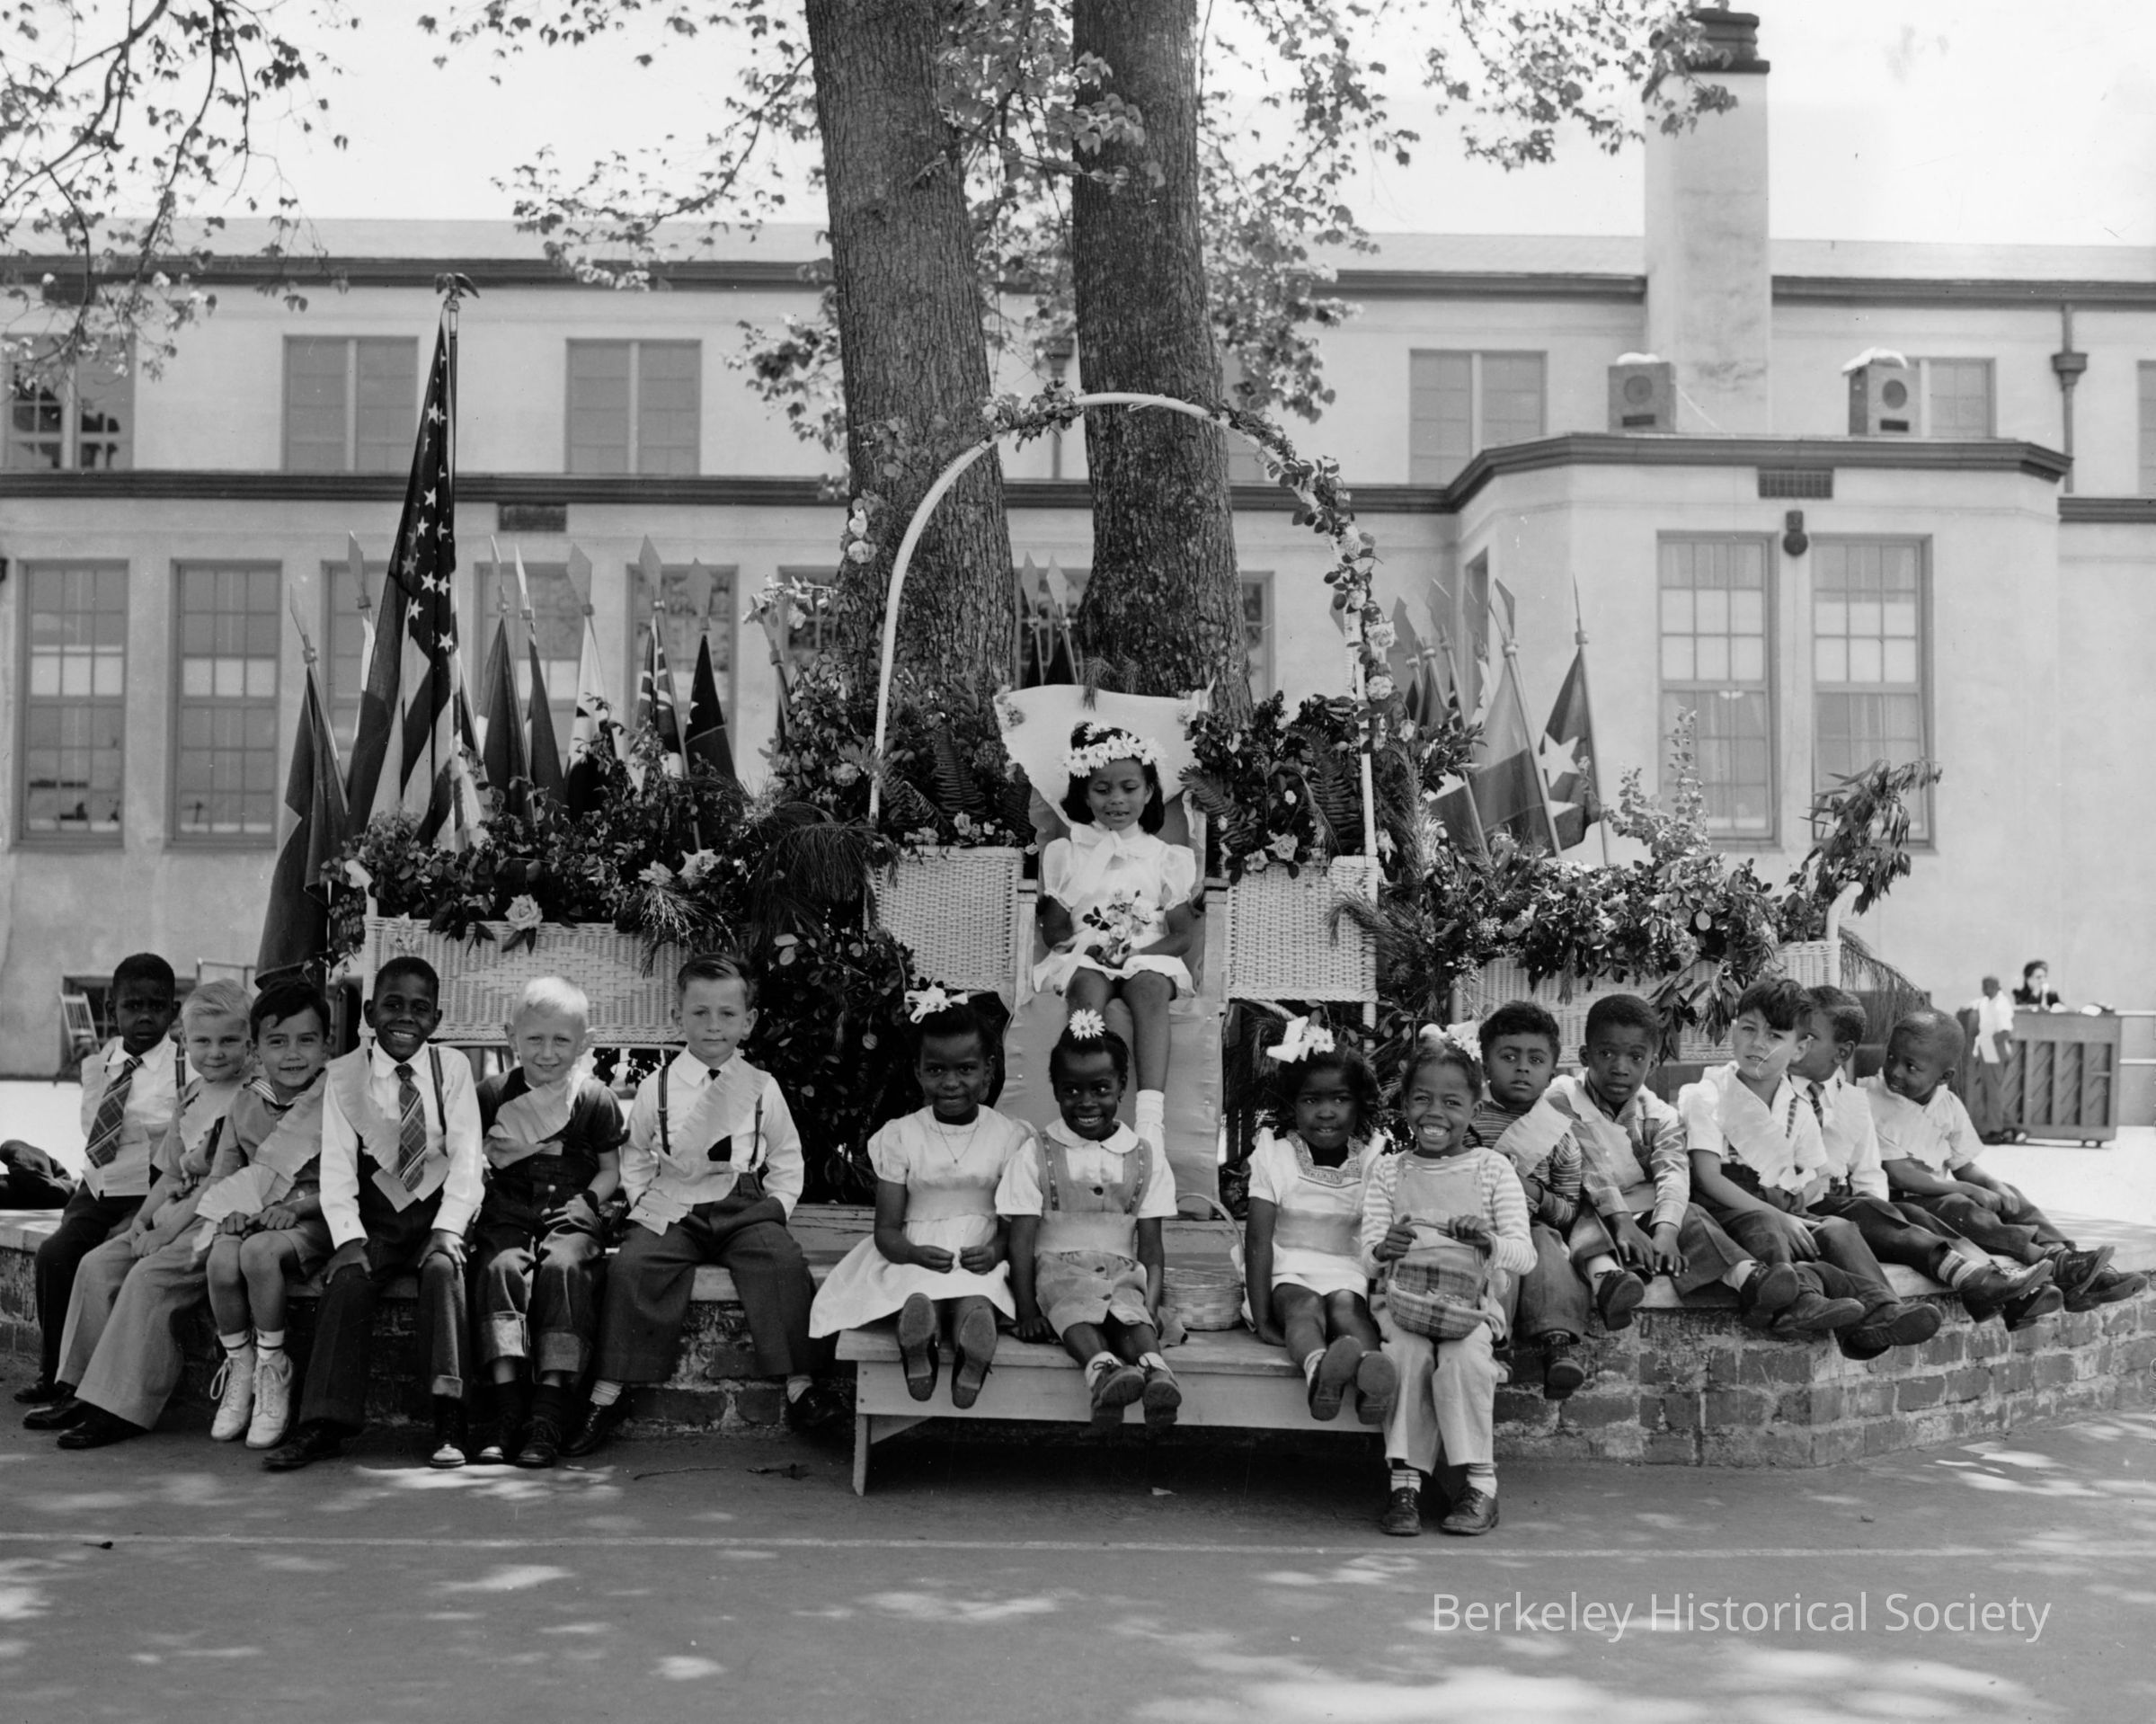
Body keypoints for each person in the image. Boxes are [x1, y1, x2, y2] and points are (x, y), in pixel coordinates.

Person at [565, 954, 841, 1457]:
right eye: (700, 1013)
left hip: (743, 1205)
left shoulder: (761, 1087)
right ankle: (607, 1391)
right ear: (679, 1017)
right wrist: (644, 1201)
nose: (714, 1025)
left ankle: (801, 1387)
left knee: (781, 1262)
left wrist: (777, 1207)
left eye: (727, 1014)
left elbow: (786, 1155)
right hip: (675, 1203)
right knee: (633, 1265)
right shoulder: (658, 1086)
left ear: (748, 1022)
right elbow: (636, 1154)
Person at [262, 956, 484, 1472]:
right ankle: (324, 1423)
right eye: (392, 1005)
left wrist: (449, 1229)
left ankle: (449, 1417)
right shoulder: (347, 1076)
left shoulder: (452, 1069)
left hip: (436, 1214)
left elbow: (468, 1156)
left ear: (436, 1019)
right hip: (379, 1219)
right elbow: (339, 1166)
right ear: (368, 1013)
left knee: (443, 1274)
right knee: (347, 1282)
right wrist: (348, 1238)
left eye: (420, 1009)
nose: (405, 1018)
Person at [24, 980, 251, 1437]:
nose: (215, 1053)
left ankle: (122, 1407)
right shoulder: (192, 1095)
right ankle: (79, 1389)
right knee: (97, 1265)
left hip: (218, 1221)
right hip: (175, 1215)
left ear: (250, 1041)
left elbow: (219, 1183)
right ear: (185, 1041)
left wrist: (163, 1234)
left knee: (149, 1278)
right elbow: (168, 1172)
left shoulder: (250, 1097)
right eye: (203, 1041)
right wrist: (143, 1222)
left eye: (229, 1041)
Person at [1681, 977, 1939, 1355]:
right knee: (1767, 1223)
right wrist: (1782, 1215)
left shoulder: (1797, 1106)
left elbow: (1814, 1177)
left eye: (1774, 1036)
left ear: (1799, 1048)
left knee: (1837, 1228)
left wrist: (1800, 1209)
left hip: (1780, 1206)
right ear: (1734, 1031)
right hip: (1728, 1209)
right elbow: (1707, 1177)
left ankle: (1881, 1315)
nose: (1757, 1044)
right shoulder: (1708, 1095)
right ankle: (1797, 1303)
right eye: (1748, 1029)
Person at [1537, 994, 1806, 1334]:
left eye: (1636, 1057)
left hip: (1640, 1213)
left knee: (1691, 1215)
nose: (1620, 1067)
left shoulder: (1659, 1115)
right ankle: (1609, 1281)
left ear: (1651, 1064)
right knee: (1585, 1217)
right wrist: (1623, 1222)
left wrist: (1667, 1231)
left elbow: (1673, 1172)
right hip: (1585, 1205)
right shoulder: (1562, 1097)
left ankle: (1748, 1277)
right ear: (1584, 1056)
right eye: (1606, 1054)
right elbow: (1589, 1167)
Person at [1795, 986, 2060, 1331]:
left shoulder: (1853, 1100)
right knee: (1944, 1208)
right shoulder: (1864, 1096)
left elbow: (1869, 1171)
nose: (1895, 1071)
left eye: (1809, 1038)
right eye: (1892, 1058)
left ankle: (2049, 1259)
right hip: (1835, 1202)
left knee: (1973, 1201)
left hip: (1877, 1202)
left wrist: (1880, 1212)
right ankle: (2020, 1269)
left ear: (1842, 1052)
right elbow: (1895, 1173)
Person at [810, 991, 1025, 1409]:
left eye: (966, 1069)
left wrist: (996, 1250)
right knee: (918, 1289)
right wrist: (911, 1253)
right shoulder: (902, 1136)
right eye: (936, 1070)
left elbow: (1010, 1226)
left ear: (988, 1069)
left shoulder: (1009, 1136)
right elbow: (887, 1231)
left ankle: (973, 1344)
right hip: (916, 1252)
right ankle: (918, 1338)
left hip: (979, 1253)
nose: (951, 1082)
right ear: (918, 1071)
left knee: (978, 1292)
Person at [1867, 1009, 2146, 1313]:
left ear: (1944, 1077)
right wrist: (1969, 1189)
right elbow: (1901, 1174)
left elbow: (1963, 1165)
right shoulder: (1871, 1099)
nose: (1895, 1071)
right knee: (1959, 1205)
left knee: (2007, 1192)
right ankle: (2051, 1261)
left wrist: (1992, 1185)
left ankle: (2069, 1261)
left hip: (1941, 1194)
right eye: (1891, 1057)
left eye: (1911, 1067)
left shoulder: (1948, 1105)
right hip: (1899, 1205)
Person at [1365, 1030, 1531, 1539]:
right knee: (1406, 1356)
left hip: (1470, 1307)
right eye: (1422, 1099)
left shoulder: (1492, 1169)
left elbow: (1524, 1256)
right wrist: (1383, 1250)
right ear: (1405, 1105)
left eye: (1452, 1102)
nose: (1434, 1113)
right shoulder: (1389, 1172)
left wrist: (1487, 1241)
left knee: (1464, 1360)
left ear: (1475, 1108)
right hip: (1403, 1303)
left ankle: (1481, 1485)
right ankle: (1404, 1486)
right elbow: (1366, 1254)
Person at [469, 978, 626, 1468]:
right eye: (534, 1039)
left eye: (562, 1040)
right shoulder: (492, 1094)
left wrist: (587, 1203)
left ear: (585, 1042)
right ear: (510, 1036)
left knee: (563, 1268)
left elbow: (611, 1170)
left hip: (570, 1210)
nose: (547, 1052)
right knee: (499, 1269)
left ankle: (548, 1411)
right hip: (508, 1209)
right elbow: (469, 1160)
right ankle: (507, 1408)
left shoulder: (595, 1099)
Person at [998, 1010, 1181, 1431]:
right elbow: (1021, 1241)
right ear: (1056, 1091)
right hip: (1056, 1269)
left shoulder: (1144, 1156)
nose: (1086, 1102)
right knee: (1074, 1304)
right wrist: (1026, 1310)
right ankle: (1102, 1371)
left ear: (1122, 1086)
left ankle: (1156, 1373)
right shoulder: (1036, 1153)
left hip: (1121, 1270)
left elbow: (1151, 1248)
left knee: (1129, 1311)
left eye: (1100, 1089)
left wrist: (1152, 1306)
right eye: (1071, 1090)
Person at [16, 954, 182, 1408]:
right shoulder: (102, 1063)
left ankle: (92, 1384)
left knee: (109, 1256)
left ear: (173, 1011)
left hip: (156, 1182)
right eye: (133, 1006)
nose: (145, 1016)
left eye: (156, 1006)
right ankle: (55, 1374)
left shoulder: (184, 1066)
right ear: (112, 1010)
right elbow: (96, 1130)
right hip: (105, 1181)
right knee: (56, 1255)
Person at [1034, 721, 1198, 1153]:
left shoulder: (1165, 858)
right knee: (1086, 985)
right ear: (1085, 795)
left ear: (1149, 791)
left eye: (1129, 788)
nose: (1117, 800)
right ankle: (1082, 1103)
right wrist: (1076, 944)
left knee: (1149, 986)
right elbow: (1055, 925)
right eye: (1102, 790)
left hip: (1147, 953)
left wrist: (1138, 952)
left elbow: (1182, 935)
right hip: (1089, 954)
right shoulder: (1069, 853)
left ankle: (1150, 1118)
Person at [1240, 1018, 1397, 1425]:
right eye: (1311, 1100)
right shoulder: (1275, 1157)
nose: (1326, 1113)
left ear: (1358, 1103)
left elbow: (1377, 1232)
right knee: (1304, 1307)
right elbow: (1257, 1241)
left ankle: (1370, 1376)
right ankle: (1318, 1373)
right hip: (1286, 1269)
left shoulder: (1371, 1162)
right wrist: (1261, 1317)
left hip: (1345, 1267)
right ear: (1293, 1104)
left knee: (1349, 1311)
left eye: (1340, 1099)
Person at [1468, 1003, 1593, 1400]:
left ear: (1551, 1072)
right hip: (1475, 1221)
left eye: (1535, 1060)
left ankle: (1557, 1347)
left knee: (1542, 1242)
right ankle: (1491, 1343)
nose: (1522, 1068)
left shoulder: (1559, 1134)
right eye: (1509, 1057)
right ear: (1486, 1064)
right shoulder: (1468, 1118)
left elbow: (1568, 1210)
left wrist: (1532, 1191)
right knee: (1497, 1248)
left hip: (1534, 1224)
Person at [1965, 975, 2017, 1142]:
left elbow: (2005, 1032)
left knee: (1993, 1091)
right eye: (1984, 986)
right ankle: (2003, 1126)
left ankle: (1997, 1130)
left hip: (1995, 1046)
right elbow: (1978, 1005)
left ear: (1996, 986)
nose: (1985, 989)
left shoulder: (2001, 1005)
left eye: (1988, 986)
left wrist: (1987, 1044)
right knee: (1987, 1090)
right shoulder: (1987, 1001)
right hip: (1987, 1045)